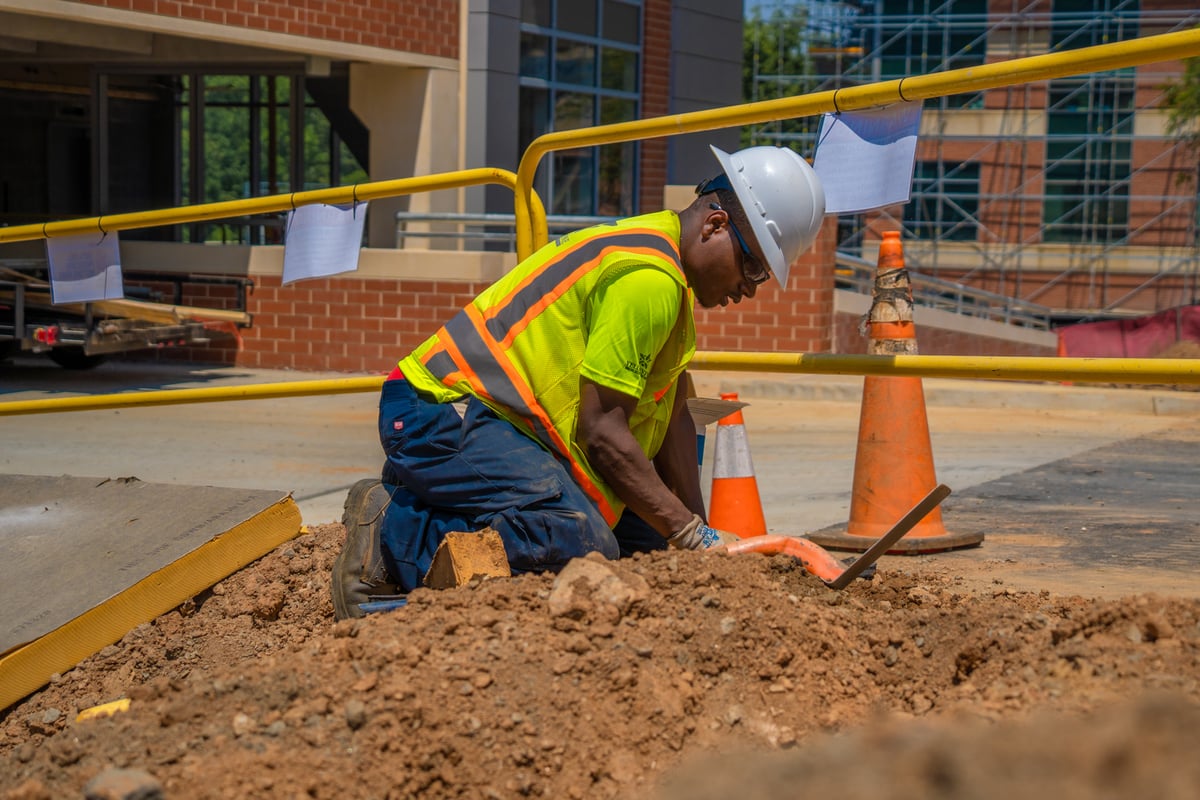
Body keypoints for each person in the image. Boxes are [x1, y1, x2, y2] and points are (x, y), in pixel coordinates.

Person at [331, 145, 825, 619]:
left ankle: (435, 498)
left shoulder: (668, 277)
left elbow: (670, 408)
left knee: (647, 554)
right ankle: (394, 528)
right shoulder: (648, 279)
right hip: (440, 409)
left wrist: (696, 535)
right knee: (579, 541)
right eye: (754, 267)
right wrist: (690, 533)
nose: (749, 289)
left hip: (502, 427)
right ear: (715, 225)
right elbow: (602, 434)